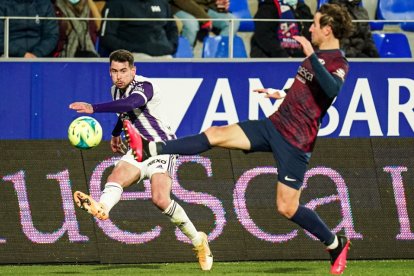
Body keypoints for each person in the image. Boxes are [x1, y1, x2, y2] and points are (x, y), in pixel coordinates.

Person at [126, 4, 354, 274]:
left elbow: (331, 88)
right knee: (215, 134)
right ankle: (151, 148)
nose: (311, 28)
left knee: (286, 207)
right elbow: (302, 85)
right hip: (274, 125)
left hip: (296, 143)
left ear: (328, 30)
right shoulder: (314, 58)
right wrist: (280, 92)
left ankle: (334, 243)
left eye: (316, 24)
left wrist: (310, 55)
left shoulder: (337, 62)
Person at [69, 49, 213, 271]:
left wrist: (93, 108)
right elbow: (123, 114)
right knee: (115, 176)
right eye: (114, 71)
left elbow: (130, 104)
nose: (119, 76)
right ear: (110, 72)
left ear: (133, 70)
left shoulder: (144, 86)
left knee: (160, 199)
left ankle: (198, 240)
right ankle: (103, 208)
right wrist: (116, 134)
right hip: (137, 150)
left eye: (124, 71)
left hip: (160, 147)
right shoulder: (115, 90)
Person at [99, 0, 178, 59]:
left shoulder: (162, 3)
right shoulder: (115, 4)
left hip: (165, 54)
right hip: (133, 56)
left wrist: (171, 47)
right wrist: (132, 49)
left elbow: (172, 29)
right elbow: (106, 37)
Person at [170, 0, 240, 47]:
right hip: (178, 6)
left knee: (232, 21)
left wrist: (220, 4)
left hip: (203, 8)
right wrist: (204, 17)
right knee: (191, 24)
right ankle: (184, 59)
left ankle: (219, 55)